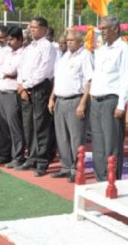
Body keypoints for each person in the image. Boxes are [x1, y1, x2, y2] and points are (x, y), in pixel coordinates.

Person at [89, 16, 128, 181]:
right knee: (98, 145)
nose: (102, 31)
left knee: (112, 144)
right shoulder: (101, 50)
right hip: (97, 100)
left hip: (112, 101)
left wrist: (121, 104)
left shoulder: (123, 48)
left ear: (116, 29)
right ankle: (100, 178)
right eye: (101, 28)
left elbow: (126, 77)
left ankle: (112, 180)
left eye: (105, 28)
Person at [49, 30, 93, 182]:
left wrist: (82, 103)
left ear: (80, 42)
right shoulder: (63, 57)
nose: (69, 43)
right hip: (60, 100)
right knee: (62, 136)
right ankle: (66, 167)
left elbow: (89, 81)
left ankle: (77, 169)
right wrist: (51, 98)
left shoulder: (85, 55)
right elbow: (58, 79)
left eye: (72, 40)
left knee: (76, 137)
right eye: (67, 40)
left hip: (76, 100)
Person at [16, 17, 56, 177]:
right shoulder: (29, 47)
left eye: (35, 27)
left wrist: (26, 85)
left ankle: (42, 161)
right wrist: (20, 85)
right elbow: (21, 67)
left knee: (41, 125)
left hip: (40, 88)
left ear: (44, 29)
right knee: (28, 125)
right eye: (30, 27)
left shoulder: (48, 47)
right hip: (25, 88)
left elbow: (44, 70)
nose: (32, 30)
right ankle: (31, 157)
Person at [0, 27, 25, 168]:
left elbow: (13, 71)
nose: (8, 42)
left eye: (11, 39)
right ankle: (5, 154)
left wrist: (7, 73)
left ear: (20, 40)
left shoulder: (24, 54)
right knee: (2, 125)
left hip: (12, 93)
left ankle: (18, 156)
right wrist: (6, 73)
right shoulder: (7, 53)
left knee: (14, 126)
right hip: (2, 91)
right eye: (8, 39)